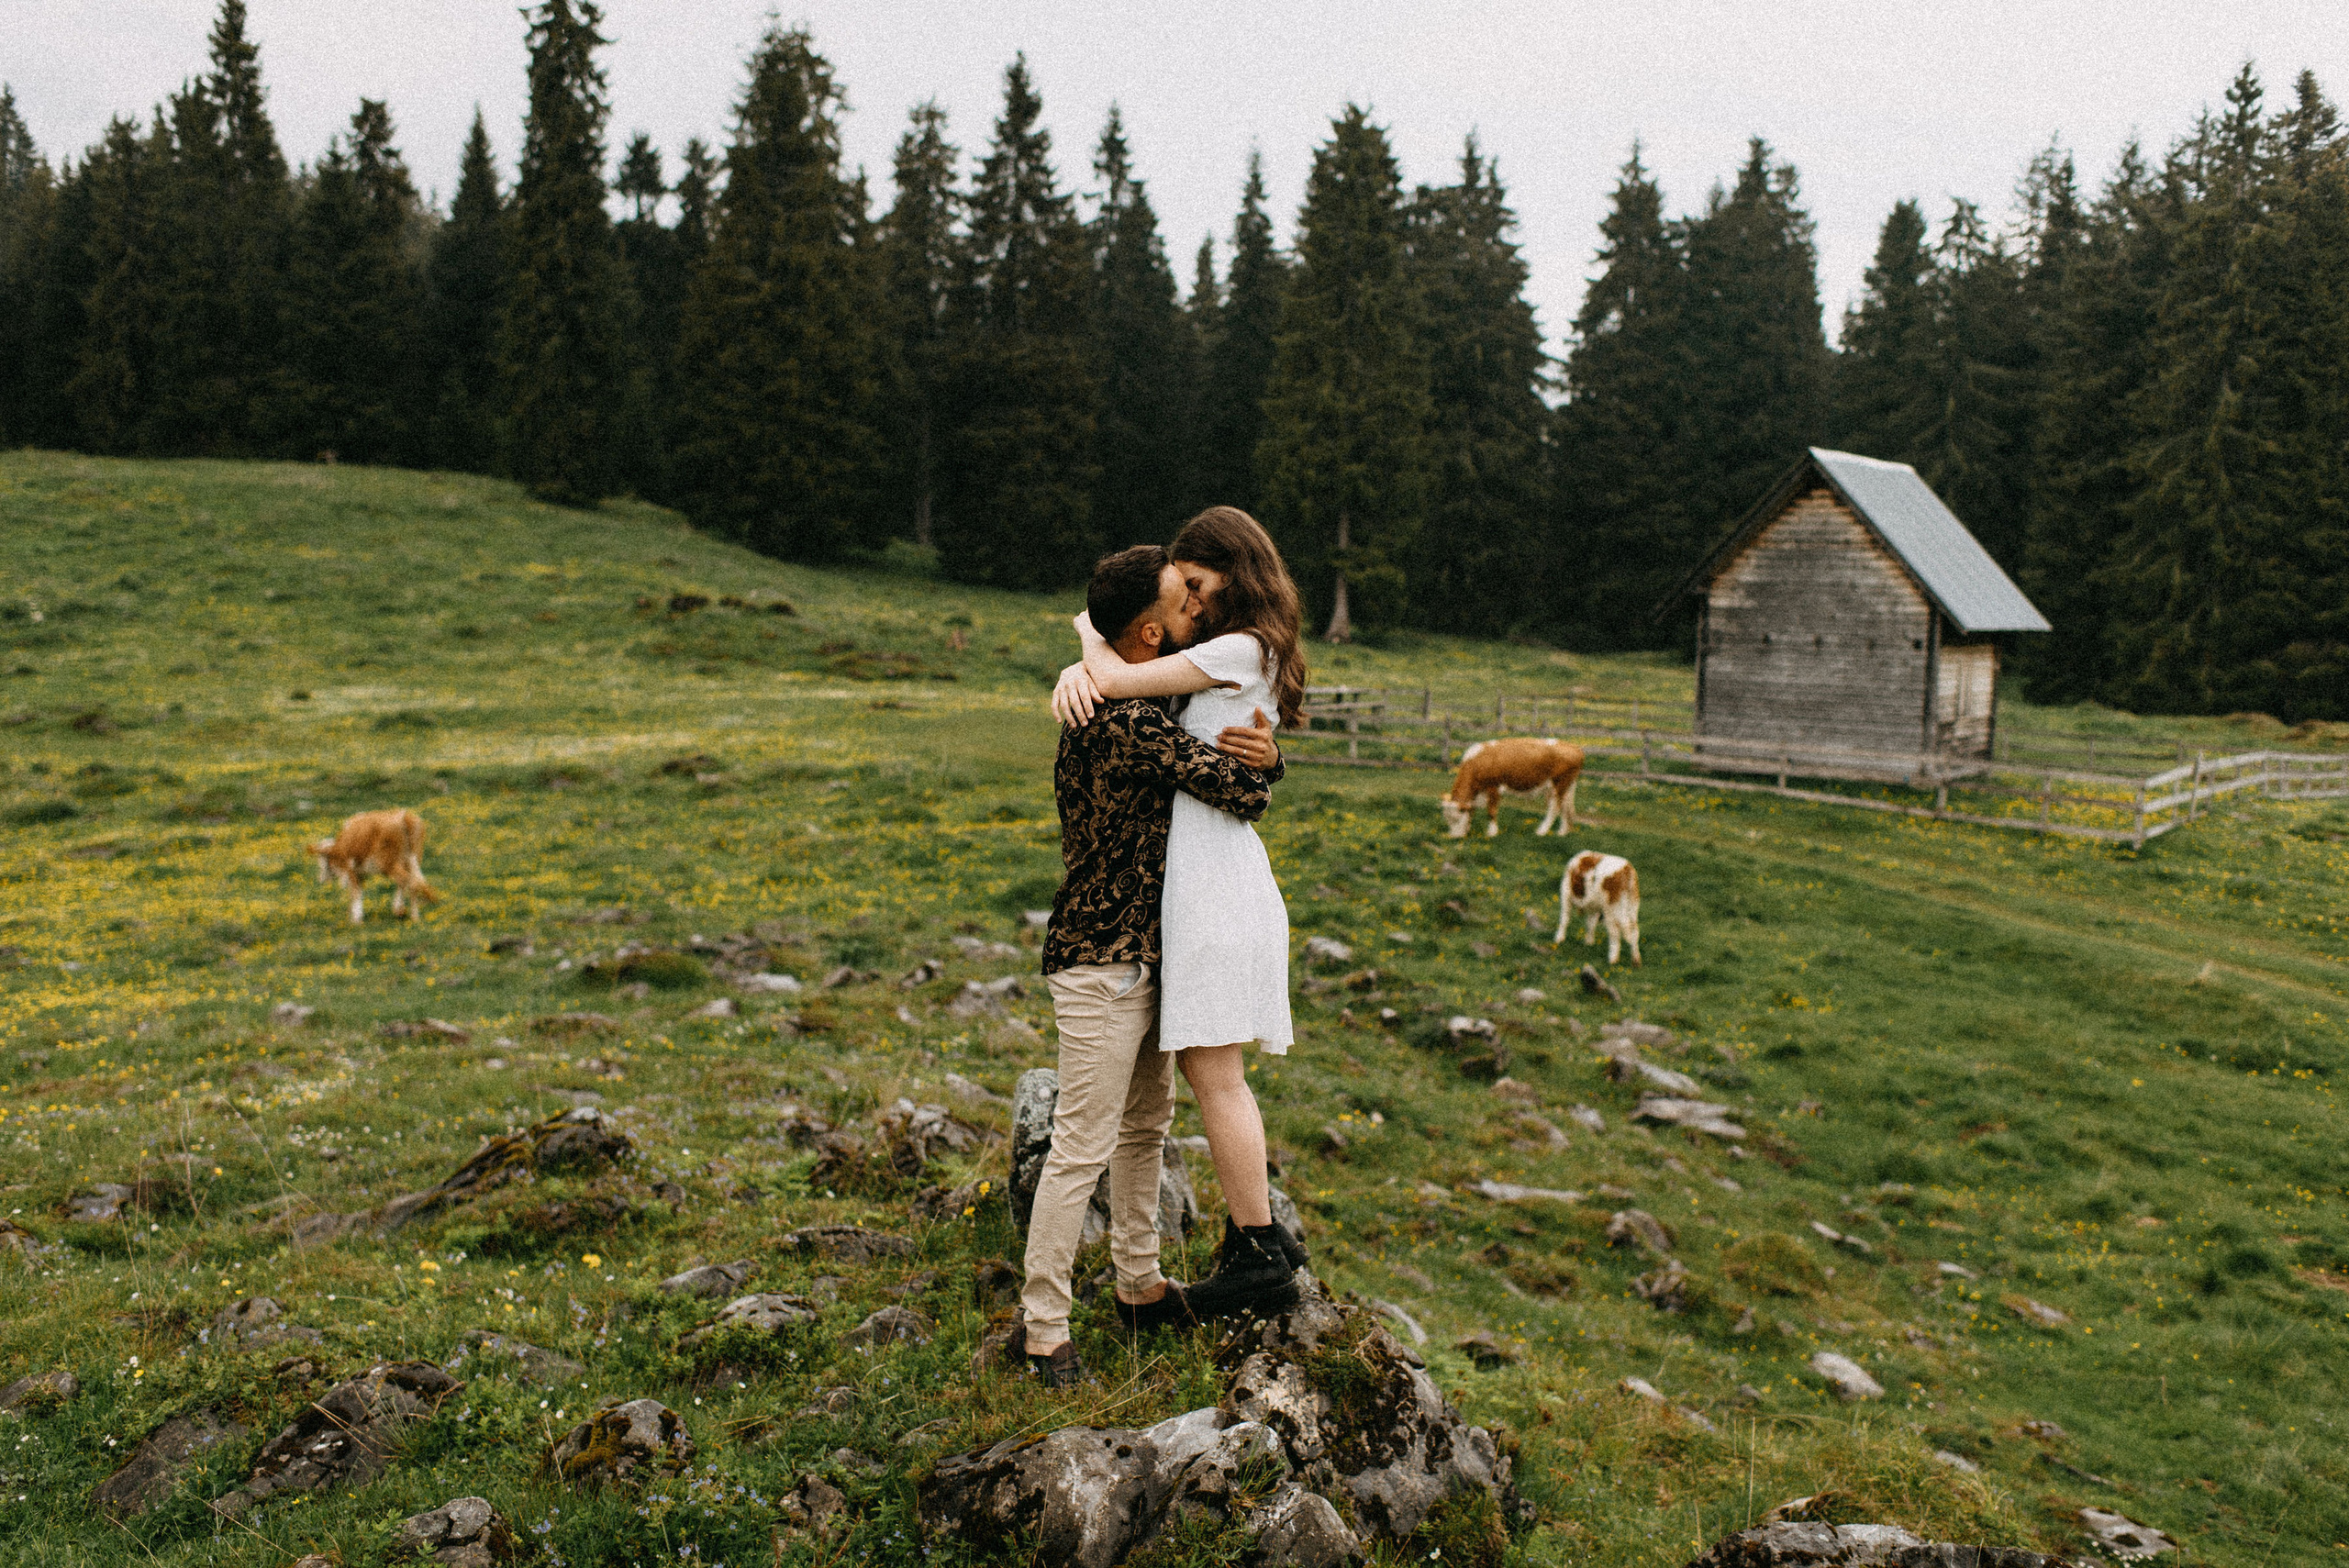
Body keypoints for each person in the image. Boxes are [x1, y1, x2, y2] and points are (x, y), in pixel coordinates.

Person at [1021, 543, 1284, 1388]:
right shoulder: (1129, 722)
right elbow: (1241, 793)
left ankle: (1138, 1282)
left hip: (1142, 956)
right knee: (1082, 1145)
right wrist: (1264, 767)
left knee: (1144, 1130)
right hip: (1103, 960)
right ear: (1148, 629)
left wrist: (1083, 651)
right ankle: (1044, 1328)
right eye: (1182, 603)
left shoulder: (1130, 701)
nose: (1195, 616)